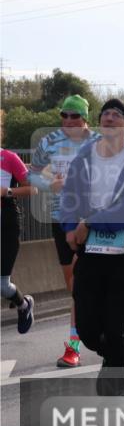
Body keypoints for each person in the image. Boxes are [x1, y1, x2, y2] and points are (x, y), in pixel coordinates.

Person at [59, 99, 124, 394]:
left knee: (115, 327)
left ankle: (115, 389)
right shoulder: (85, 156)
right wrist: (69, 228)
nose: (110, 118)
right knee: (86, 330)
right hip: (91, 251)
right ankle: (114, 355)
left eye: (117, 114)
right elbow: (69, 196)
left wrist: (90, 224)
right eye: (106, 114)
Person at [27, 95, 100, 366]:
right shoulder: (49, 141)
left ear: (85, 119)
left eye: (74, 116)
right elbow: (31, 173)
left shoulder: (99, 143)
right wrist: (50, 184)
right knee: (74, 286)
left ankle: (73, 346)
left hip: (92, 218)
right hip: (62, 217)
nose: (68, 120)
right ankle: (89, 322)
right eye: (64, 115)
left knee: (81, 283)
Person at [1, 114, 37, 334]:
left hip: (6, 224)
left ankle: (24, 305)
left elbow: (31, 188)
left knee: (2, 286)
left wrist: (7, 191)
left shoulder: (9, 158)